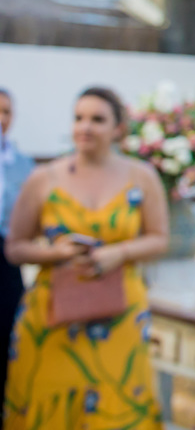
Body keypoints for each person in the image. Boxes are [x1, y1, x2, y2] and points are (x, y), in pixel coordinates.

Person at [5, 86, 168, 429]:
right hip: (52, 317)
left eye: (97, 119)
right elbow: (14, 247)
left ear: (118, 128)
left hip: (120, 314)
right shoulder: (42, 178)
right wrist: (54, 253)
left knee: (119, 407)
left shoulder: (143, 177)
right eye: (79, 118)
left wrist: (119, 253)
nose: (85, 127)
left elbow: (160, 239)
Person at [0, 90, 34, 403]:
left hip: (7, 253)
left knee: (8, 325)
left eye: (7, 112)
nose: (1, 118)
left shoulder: (23, 165)